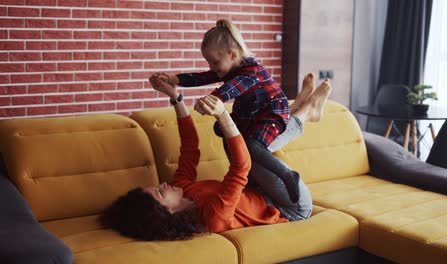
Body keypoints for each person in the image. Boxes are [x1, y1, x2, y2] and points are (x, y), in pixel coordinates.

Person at [100, 73, 332, 241]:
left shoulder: (181, 187)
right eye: (160, 192)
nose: (163, 184)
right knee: (252, 148)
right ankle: (304, 113)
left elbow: (190, 147)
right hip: (290, 206)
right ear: (168, 213)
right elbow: (242, 167)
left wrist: (175, 97)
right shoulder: (213, 218)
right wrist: (222, 115)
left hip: (259, 190)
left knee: (252, 141)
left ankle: (298, 111)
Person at [153, 19, 320, 203]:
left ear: (233, 55)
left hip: (271, 112)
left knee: (252, 146)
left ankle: (288, 175)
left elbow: (233, 88)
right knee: (225, 134)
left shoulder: (253, 71)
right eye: (208, 62)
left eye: (214, 62)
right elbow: (202, 77)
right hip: (250, 114)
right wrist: (174, 79)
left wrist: (214, 98)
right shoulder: (228, 67)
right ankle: (247, 178)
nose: (212, 67)